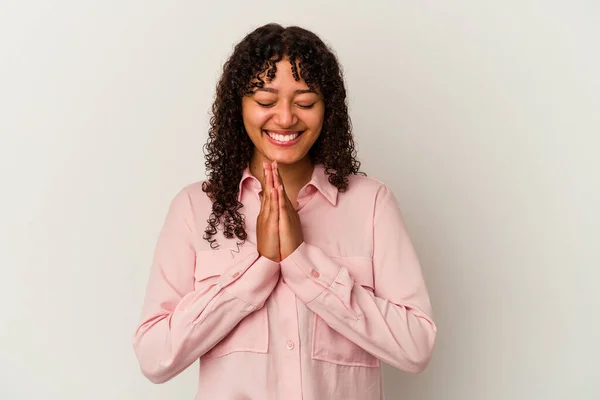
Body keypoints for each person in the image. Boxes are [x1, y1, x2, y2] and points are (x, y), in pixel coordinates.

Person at [132, 23, 436, 400]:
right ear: (238, 105)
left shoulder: (372, 204)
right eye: (265, 101)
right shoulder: (195, 208)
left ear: (328, 109)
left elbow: (416, 346)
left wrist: (302, 263)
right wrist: (257, 269)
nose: (286, 118)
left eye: (305, 102)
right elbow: (154, 356)